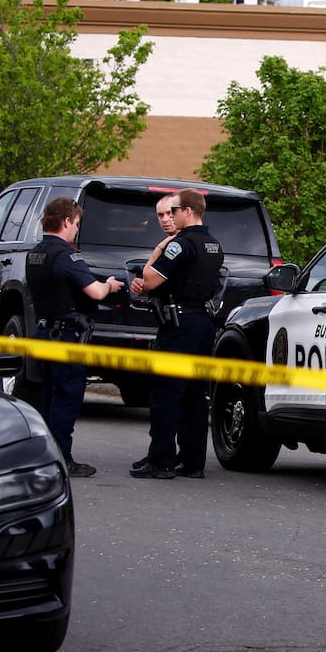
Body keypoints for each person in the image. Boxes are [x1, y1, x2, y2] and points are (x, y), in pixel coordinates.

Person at [128, 188, 224, 480]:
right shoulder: (213, 245)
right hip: (203, 325)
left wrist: (159, 249)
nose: (172, 216)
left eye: (175, 210)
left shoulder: (179, 245)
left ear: (188, 211)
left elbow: (151, 278)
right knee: (195, 396)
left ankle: (161, 460)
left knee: (166, 395)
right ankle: (193, 462)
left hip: (178, 326)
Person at [25, 198, 124, 477]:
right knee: (66, 399)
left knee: (46, 398)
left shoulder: (35, 254)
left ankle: (44, 458)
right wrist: (109, 285)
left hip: (43, 333)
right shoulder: (67, 255)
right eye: (76, 224)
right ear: (66, 221)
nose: (76, 230)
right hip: (66, 336)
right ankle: (62, 459)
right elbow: (95, 292)